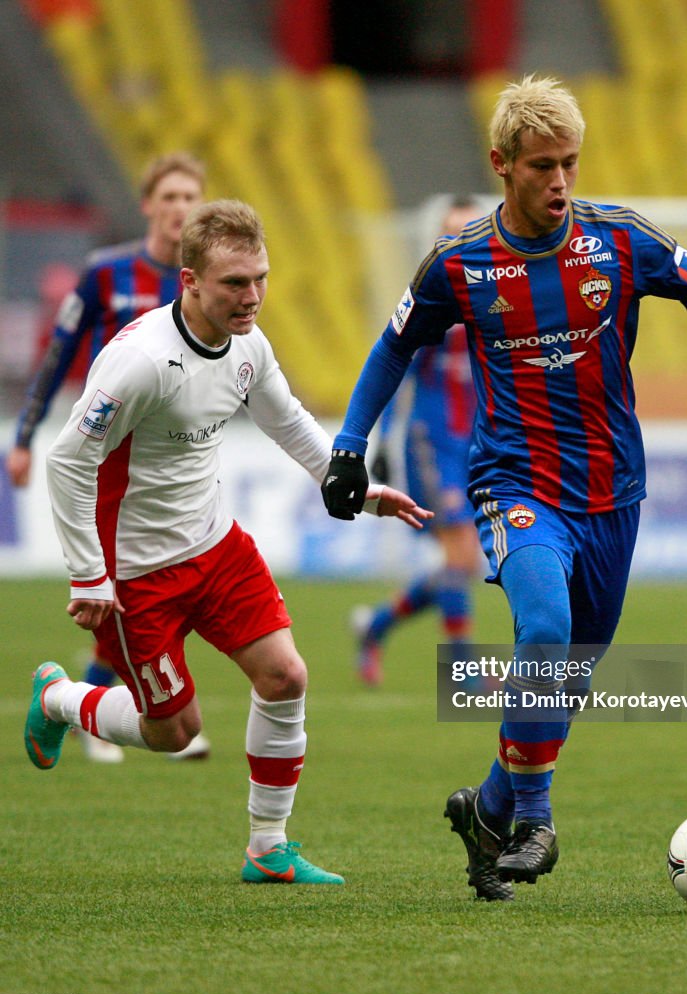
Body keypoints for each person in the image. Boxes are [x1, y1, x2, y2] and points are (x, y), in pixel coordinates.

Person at [321, 74, 687, 901]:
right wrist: (349, 446)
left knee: (570, 671)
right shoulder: (460, 262)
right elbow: (393, 345)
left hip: (613, 490)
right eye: (541, 165)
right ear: (501, 164)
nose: (559, 182)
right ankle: (534, 818)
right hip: (515, 482)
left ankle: (486, 811)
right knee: (543, 627)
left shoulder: (616, 240)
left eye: (570, 164)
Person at [24, 198, 432, 885]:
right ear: (189, 282)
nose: (251, 297)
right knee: (171, 733)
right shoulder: (141, 363)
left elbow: (289, 423)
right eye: (234, 284)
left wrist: (354, 488)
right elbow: (68, 461)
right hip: (136, 573)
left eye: (260, 279)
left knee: (285, 675)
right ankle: (61, 699)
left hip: (216, 549)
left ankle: (267, 847)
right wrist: (89, 575)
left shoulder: (250, 344)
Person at [7, 151, 210, 763]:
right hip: (108, 453)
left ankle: (122, 704)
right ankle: (107, 707)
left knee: (173, 580)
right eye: (169, 197)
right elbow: (57, 353)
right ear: (148, 204)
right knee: (125, 581)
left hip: (172, 456)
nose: (179, 209)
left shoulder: (206, 277)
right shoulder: (105, 273)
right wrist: (23, 438)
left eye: (190, 198)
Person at [351, 197, 486, 686]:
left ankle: (374, 627)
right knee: (459, 549)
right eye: (452, 231)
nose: (461, 239)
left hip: (478, 443)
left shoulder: (500, 294)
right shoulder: (428, 297)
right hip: (432, 439)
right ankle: (462, 668)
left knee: (464, 563)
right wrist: (384, 442)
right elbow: (395, 368)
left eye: (470, 230)